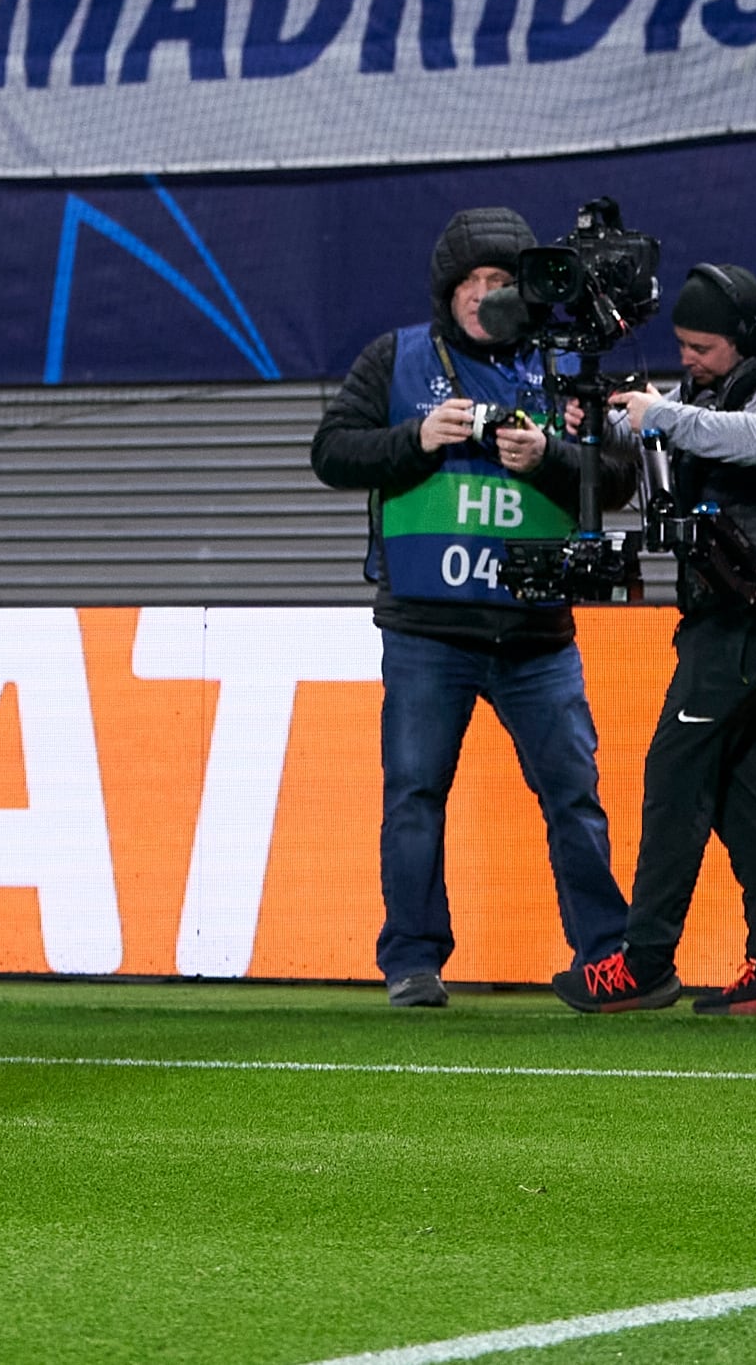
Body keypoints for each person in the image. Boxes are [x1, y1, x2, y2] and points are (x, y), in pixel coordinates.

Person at [306, 207, 642, 1011]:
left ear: (523, 291)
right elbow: (331, 451)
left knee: (575, 797)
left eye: (499, 282)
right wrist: (417, 437)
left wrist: (553, 456)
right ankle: (414, 961)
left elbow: (624, 477)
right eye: (471, 283)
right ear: (447, 293)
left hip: (538, 633)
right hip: (428, 629)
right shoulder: (397, 358)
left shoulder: (565, 366)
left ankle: (606, 955)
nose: (484, 295)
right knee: (415, 794)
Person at [606, 264, 756, 1019]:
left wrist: (661, 417)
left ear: (742, 337)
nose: (690, 359)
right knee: (739, 784)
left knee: (676, 767)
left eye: (703, 346)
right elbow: (663, 414)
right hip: (735, 610)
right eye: (681, 344)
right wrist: (605, 417)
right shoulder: (724, 383)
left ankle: (645, 962)